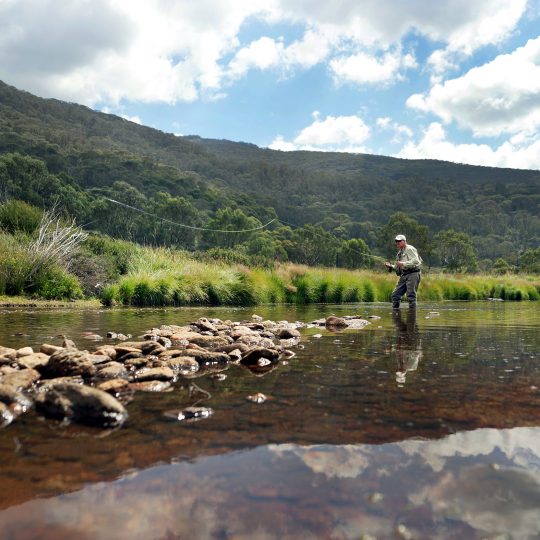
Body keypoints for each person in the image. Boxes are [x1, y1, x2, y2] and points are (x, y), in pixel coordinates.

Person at [384, 234, 422, 309]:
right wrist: (391, 266)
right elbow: (398, 266)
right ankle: (396, 316)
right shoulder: (399, 253)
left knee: (411, 296)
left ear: (404, 241)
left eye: (399, 241)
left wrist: (403, 263)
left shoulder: (410, 249)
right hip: (404, 274)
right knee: (395, 295)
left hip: (413, 273)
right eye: (396, 241)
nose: (397, 242)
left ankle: (412, 317)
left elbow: (416, 261)